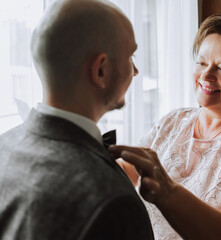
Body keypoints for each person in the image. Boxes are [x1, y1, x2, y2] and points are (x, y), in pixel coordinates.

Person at [110, 14, 221, 239]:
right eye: (202, 62)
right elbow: (125, 172)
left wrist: (168, 191)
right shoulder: (172, 121)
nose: (206, 75)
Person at [0, 0, 154, 239]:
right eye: (130, 56)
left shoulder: (4, 145)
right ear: (100, 71)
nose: (135, 71)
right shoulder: (113, 201)